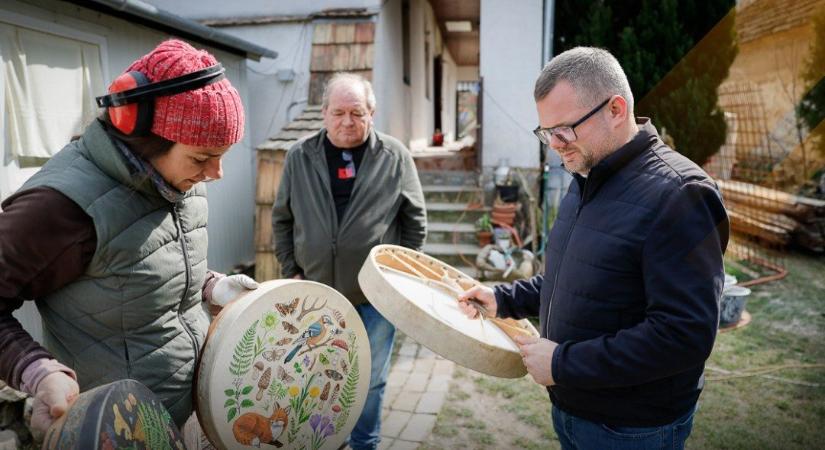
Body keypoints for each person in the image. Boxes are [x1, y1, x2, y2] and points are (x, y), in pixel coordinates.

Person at [459, 47, 729, 449]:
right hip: (574, 411)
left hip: (631, 428)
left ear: (616, 109)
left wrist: (563, 363)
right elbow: (574, 279)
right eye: (546, 132)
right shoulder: (586, 176)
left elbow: (683, 335)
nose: (554, 144)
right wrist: (504, 298)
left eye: (564, 130)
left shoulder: (680, 194)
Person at [0, 39, 259, 437]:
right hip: (114, 429)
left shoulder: (181, 181)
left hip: (185, 414)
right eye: (203, 157)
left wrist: (213, 287)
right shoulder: (61, 206)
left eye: (223, 155)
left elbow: (141, 263)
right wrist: (36, 371)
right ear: (145, 136)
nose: (216, 173)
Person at [272, 72, 426, 450]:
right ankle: (324, 440)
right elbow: (281, 219)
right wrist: (290, 270)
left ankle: (365, 443)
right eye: (338, 112)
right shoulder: (300, 156)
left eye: (357, 113)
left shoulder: (394, 157)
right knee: (314, 372)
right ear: (323, 113)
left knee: (369, 378)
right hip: (315, 295)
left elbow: (414, 222)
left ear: (371, 113)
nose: (347, 121)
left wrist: (399, 277)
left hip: (375, 297)